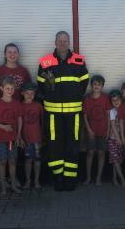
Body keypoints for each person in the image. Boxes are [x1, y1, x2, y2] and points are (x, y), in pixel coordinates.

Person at [37, 31, 89, 191]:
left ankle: (70, 179)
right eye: (60, 41)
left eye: (65, 41)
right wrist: (49, 86)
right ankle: (57, 178)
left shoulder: (79, 61)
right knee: (54, 144)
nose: (63, 43)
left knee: (73, 144)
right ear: (55, 42)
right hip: (53, 114)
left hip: (74, 113)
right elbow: (40, 86)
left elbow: (83, 84)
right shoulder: (46, 62)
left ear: (69, 42)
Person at [0, 76, 23, 198]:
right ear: (2, 88)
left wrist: (19, 135)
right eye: (7, 88)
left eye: (12, 88)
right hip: (0, 139)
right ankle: (3, 186)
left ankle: (13, 184)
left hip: (12, 139)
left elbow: (19, 119)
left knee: (13, 161)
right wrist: (3, 127)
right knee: (2, 162)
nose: (10, 91)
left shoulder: (16, 103)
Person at [83, 75, 111, 186]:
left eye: (99, 85)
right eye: (94, 84)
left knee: (101, 153)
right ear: (91, 85)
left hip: (103, 131)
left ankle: (99, 178)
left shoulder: (105, 98)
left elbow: (109, 116)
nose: (96, 86)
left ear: (102, 87)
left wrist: (108, 131)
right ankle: (89, 177)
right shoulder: (87, 99)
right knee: (90, 153)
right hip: (92, 132)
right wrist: (89, 130)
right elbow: (84, 116)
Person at [20, 82, 43, 190]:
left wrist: (43, 137)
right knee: (28, 160)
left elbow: (43, 122)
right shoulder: (19, 106)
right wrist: (19, 138)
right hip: (26, 139)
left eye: (32, 93)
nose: (30, 95)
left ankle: (37, 181)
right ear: (22, 93)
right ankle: (28, 181)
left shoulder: (38, 106)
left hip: (37, 139)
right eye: (27, 93)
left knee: (37, 161)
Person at [108, 89, 125, 187]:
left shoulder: (123, 110)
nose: (116, 102)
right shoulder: (112, 111)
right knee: (115, 159)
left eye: (118, 99)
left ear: (121, 99)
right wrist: (118, 138)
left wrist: (122, 138)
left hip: (121, 138)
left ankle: (115, 179)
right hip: (113, 139)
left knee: (117, 160)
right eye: (113, 100)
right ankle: (122, 179)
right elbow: (113, 126)